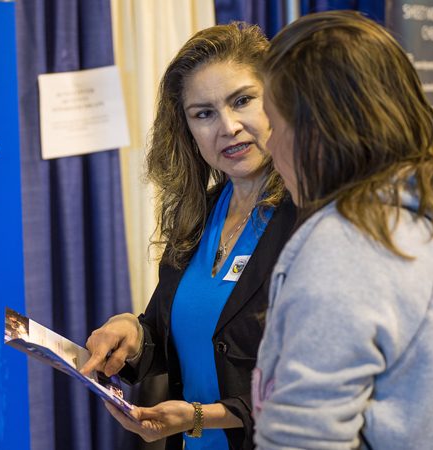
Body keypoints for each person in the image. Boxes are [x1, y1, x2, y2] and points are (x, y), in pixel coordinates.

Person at [254, 10, 433, 449]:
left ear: (320, 132)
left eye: (276, 125)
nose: (269, 147)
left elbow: (302, 440)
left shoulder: (347, 246)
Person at [79, 23, 296, 450]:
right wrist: (134, 334)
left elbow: (322, 382)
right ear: (188, 131)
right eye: (204, 113)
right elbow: (175, 337)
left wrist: (200, 416)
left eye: (242, 101)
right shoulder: (197, 216)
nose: (228, 126)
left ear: (278, 100)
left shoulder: (310, 217)